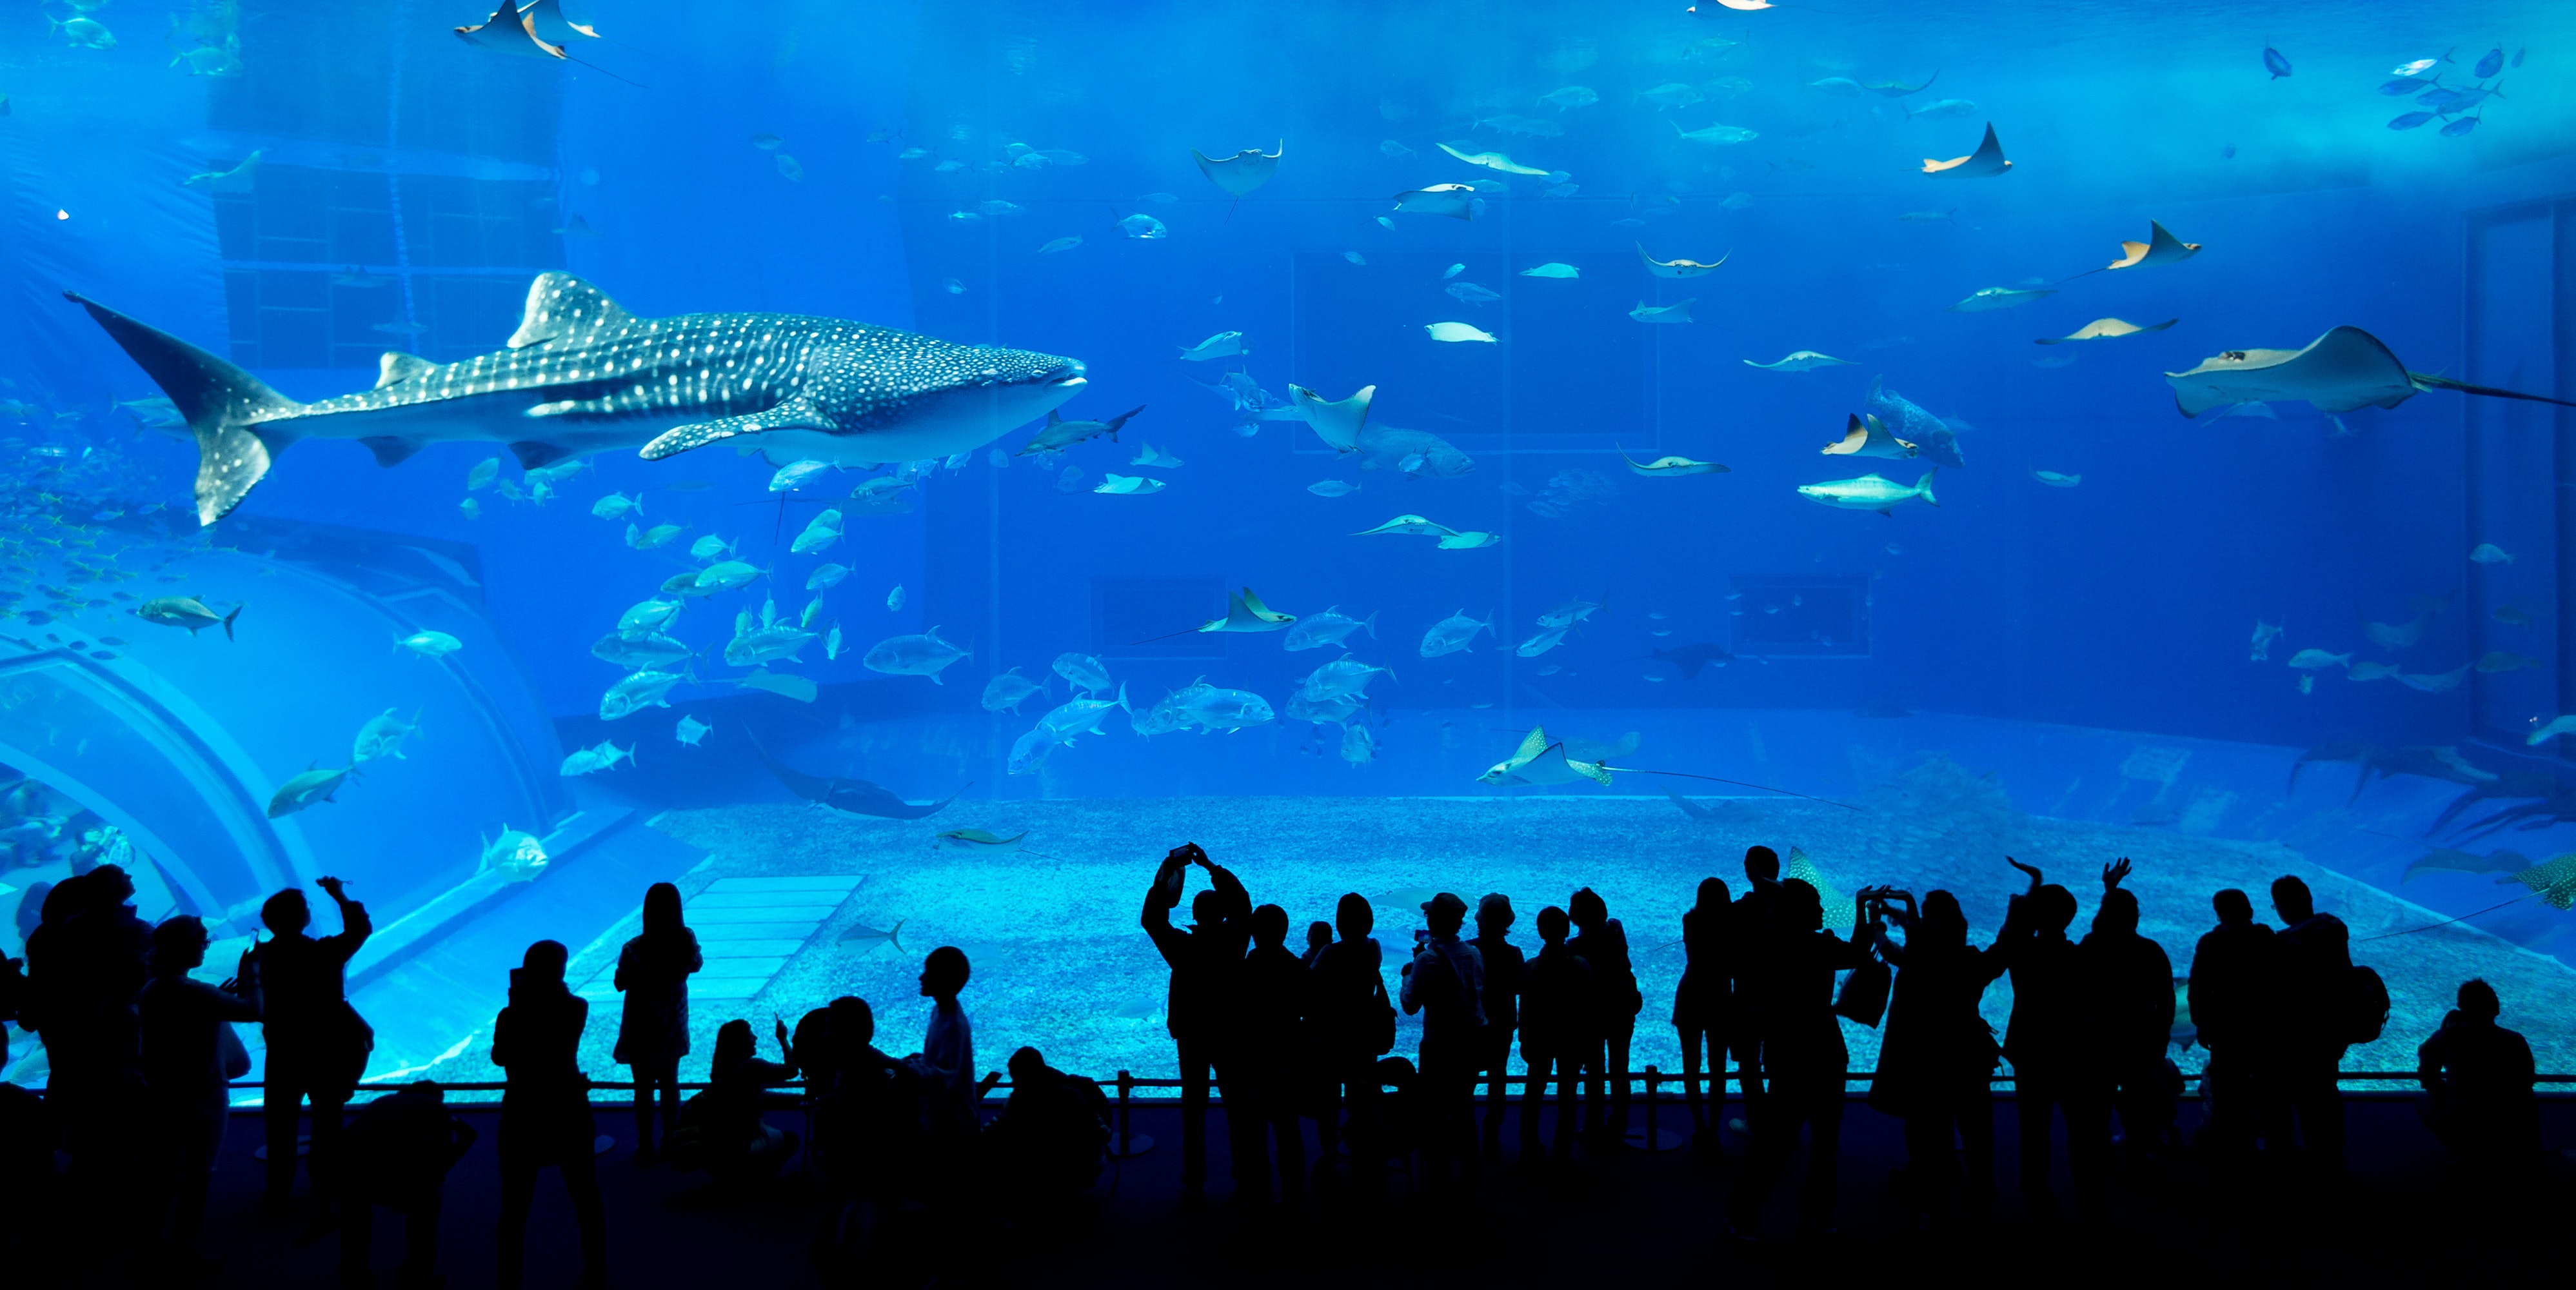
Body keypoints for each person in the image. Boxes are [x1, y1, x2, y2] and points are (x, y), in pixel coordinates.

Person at [1725, 880, 1877, 1239]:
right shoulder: (1820, 946)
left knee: (1774, 1143)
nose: (1823, 912)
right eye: (1817, 906)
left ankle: (1741, 1214)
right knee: (1824, 1143)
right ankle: (1817, 1214)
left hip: (1785, 1051)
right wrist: (1862, 908)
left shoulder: (1766, 944)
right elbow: (1858, 952)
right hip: (1823, 1051)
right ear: (1803, 912)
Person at [1867, 888, 2005, 1229]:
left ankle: (1932, 1205)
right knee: (1977, 1133)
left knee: (1929, 1132)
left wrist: (1877, 927)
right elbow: (2004, 949)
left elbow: (1893, 951)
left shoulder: (1919, 961)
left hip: (1928, 1064)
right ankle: (1982, 1199)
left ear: (1929, 928)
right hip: (1970, 1060)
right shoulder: (1972, 961)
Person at [249, 875, 374, 1238]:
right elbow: (361, 928)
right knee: (327, 1126)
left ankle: (277, 1195)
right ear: (302, 918)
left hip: (284, 1054)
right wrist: (339, 894)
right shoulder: (322, 953)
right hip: (325, 1053)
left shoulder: (262, 956)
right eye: (306, 908)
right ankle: (325, 1194)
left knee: (281, 1128)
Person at [136, 915, 261, 1276]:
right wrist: (253, 972)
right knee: (199, 1176)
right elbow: (255, 1011)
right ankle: (183, 1251)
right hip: (203, 1095)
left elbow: (183, 1025)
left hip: (167, 1092)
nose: (206, 947)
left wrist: (217, 1000)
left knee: (166, 1171)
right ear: (186, 948)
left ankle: (152, 1241)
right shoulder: (194, 993)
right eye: (202, 942)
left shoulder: (153, 988)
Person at [1995, 859, 2110, 1226]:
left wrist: (2032, 891)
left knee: (2034, 1131)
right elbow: (2105, 933)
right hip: (2076, 1055)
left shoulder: (2022, 953)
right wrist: (2109, 891)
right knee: (2084, 1132)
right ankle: (2090, 1201)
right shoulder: (2085, 956)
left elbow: (2010, 935)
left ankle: (2037, 1199)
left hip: (2031, 1053)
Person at [1138, 841, 1252, 1201]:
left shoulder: (1183, 948)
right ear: (1220, 914)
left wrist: (1168, 871)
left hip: (1191, 1033)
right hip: (1229, 1031)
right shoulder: (1235, 942)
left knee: (1193, 1105)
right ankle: (1243, 1172)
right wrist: (1209, 866)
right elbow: (1243, 904)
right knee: (1237, 1103)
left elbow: (1152, 920)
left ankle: (1195, 1178)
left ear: (1196, 914)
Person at [492, 940, 605, 1290]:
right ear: (561, 970)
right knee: (586, 1197)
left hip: (522, 1113)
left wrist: (517, 1006)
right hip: (567, 1109)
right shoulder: (576, 1008)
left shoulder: (510, 1015)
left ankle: (509, 1280)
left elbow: (500, 1057)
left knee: (513, 1207)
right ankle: (597, 1268)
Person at [2079, 866, 2175, 1166]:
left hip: (2100, 1037)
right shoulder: (2150, 950)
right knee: (2137, 1095)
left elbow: (2078, 993)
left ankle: (2099, 1150)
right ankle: (2139, 1145)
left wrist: (2110, 894)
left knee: (2098, 1099)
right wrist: (2161, 1039)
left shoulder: (2091, 946)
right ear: (2135, 917)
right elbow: (2167, 1001)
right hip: (2140, 1038)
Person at [338, 1080, 476, 1290]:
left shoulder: (383, 1102)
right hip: (376, 1172)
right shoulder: (436, 1108)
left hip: (340, 1169)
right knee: (428, 1204)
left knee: (356, 1222)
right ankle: (417, 1278)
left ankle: (355, 1276)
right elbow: (438, 1164)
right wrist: (464, 1144)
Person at [1399, 892, 1485, 1197]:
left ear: (1434, 922)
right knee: (1464, 1112)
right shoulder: (1474, 955)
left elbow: (1409, 1005)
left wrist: (1409, 972)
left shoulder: (1427, 960)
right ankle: (1471, 1183)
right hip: (1470, 1046)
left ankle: (1439, 1188)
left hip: (1439, 1049)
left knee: (1435, 1118)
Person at [2267, 875, 2351, 1173]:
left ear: (2281, 907)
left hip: (2292, 1038)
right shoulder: (2334, 929)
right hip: (2328, 1032)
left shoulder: (2283, 943)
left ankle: (2283, 1159)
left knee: (2281, 1099)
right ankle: (2329, 1157)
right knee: (2324, 1094)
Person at [613, 881, 700, 1165]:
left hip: (640, 1025)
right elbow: (696, 964)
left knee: (643, 1086)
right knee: (669, 1082)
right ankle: (669, 1140)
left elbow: (619, 983)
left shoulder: (634, 949)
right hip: (671, 1022)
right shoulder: (684, 940)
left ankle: (645, 1143)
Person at [2415, 978, 2538, 1177]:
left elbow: (2428, 1075)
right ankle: (2514, 1151)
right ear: (2495, 1008)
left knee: (2423, 1102)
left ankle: (2464, 1150)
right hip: (2508, 1118)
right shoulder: (2515, 1040)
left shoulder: (2444, 1038)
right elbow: (2527, 1081)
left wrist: (2450, 1094)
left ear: (2462, 1008)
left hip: (2463, 1118)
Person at [1309, 892, 1392, 1180]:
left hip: (1333, 1037)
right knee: (1361, 1097)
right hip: (1364, 1034)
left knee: (1329, 1101)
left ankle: (1330, 1157)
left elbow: (1309, 982)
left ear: (1339, 923)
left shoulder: (1331, 953)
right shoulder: (1374, 947)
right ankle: (1364, 1155)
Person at [2187, 889, 2275, 1157]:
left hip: (2226, 1030)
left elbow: (2198, 987)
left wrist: (2201, 1022)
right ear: (2249, 910)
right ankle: (2275, 1148)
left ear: (2219, 913)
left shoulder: (2211, 942)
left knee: (2227, 1092)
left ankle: (2230, 1150)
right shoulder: (2265, 936)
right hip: (2264, 1028)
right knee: (2269, 1091)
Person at [980, 1046, 1109, 1220]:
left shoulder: (1022, 1101)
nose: (1012, 1083)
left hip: (1059, 1166)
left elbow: (1008, 1130)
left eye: (1015, 1077)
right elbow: (1103, 1132)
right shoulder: (1071, 1090)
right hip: (1084, 1161)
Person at [1237, 903, 1309, 1207]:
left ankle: (1258, 1197)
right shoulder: (1297, 967)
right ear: (1284, 932)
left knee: (1254, 1136)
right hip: (1286, 1062)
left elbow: (1237, 1016)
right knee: (1288, 1131)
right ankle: (1294, 1196)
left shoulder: (1246, 968)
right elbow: (1310, 1013)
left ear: (1254, 933)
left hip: (1254, 1062)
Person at [1518, 906, 1594, 1164]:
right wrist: (1585, 1043)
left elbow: (1525, 1010)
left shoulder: (1531, 967)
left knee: (1533, 1092)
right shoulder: (1581, 966)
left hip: (1539, 1039)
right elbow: (1587, 1009)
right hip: (1571, 1039)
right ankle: (1563, 1150)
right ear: (1567, 930)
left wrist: (1524, 1040)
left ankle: (1528, 1145)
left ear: (1540, 932)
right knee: (1568, 1095)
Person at [1567, 888, 1639, 1148]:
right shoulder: (1615, 934)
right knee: (1620, 1068)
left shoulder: (1573, 948)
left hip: (1593, 1017)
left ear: (1574, 918)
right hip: (1621, 1010)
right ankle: (1619, 1123)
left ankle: (1593, 1127)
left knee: (1595, 1071)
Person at [697, 1018, 802, 1182]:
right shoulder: (752, 1066)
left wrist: (799, 1098)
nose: (755, 1038)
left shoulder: (722, 1069)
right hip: (739, 1146)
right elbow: (792, 1070)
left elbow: (761, 1096)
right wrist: (783, 1038)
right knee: (791, 1140)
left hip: (718, 1147)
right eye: (750, 1035)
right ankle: (755, 1181)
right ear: (740, 1042)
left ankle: (739, 1175)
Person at [1672, 877, 1732, 1153]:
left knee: (1691, 1066)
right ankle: (1712, 1128)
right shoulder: (1732, 924)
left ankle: (1700, 1125)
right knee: (1717, 1067)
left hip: (1692, 992)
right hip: (1719, 995)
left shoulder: (1691, 920)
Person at [1727, 848, 1783, 1131]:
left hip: (1749, 995)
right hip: (1784, 996)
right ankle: (1780, 1121)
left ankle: (1757, 1123)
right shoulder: (1791, 905)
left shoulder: (1742, 909)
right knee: (1781, 1060)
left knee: (1749, 1062)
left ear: (1752, 870)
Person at [1469, 893, 1525, 1153]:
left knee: (1466, 1078)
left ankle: (1464, 1132)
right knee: (1497, 1077)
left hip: (1472, 1025)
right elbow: (1519, 987)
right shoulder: (1513, 953)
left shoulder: (1468, 950)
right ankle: (1492, 1134)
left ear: (1479, 921)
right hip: (1502, 1025)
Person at [907, 946, 978, 1146]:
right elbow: (939, 1062)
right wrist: (919, 1060)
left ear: (943, 980)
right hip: (938, 1118)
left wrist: (897, 1065)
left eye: (928, 973)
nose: (921, 978)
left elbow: (940, 1080)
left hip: (952, 1129)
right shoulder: (939, 1010)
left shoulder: (954, 1026)